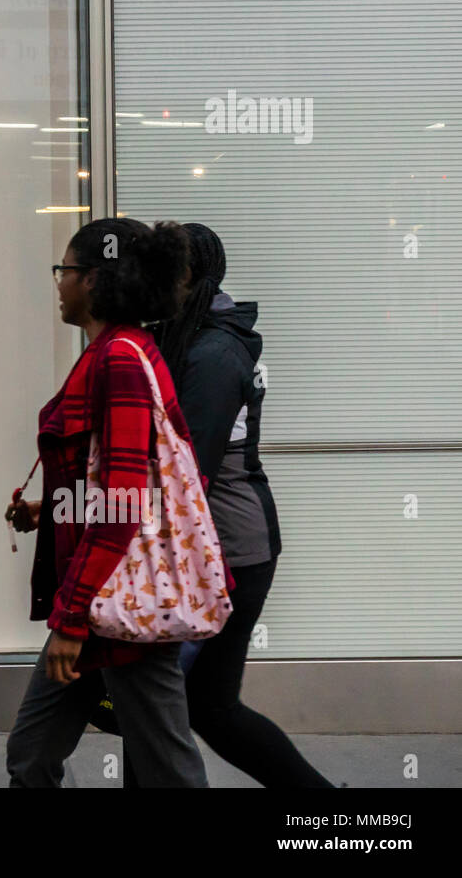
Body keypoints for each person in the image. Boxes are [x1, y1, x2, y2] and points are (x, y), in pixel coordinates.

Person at [5, 217, 210, 787]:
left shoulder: (120, 358)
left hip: (118, 606)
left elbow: (123, 501)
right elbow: (113, 484)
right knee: (31, 755)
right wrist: (51, 511)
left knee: (169, 770)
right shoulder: (114, 352)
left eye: (64, 271)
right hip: (95, 597)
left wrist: (70, 620)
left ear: (93, 280)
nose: (59, 283)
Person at [145, 223, 332, 787]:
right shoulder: (190, 335)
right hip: (220, 543)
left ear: (184, 277)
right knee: (203, 708)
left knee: (157, 706)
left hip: (226, 549)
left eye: (157, 269)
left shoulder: (212, 352)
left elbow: (187, 474)